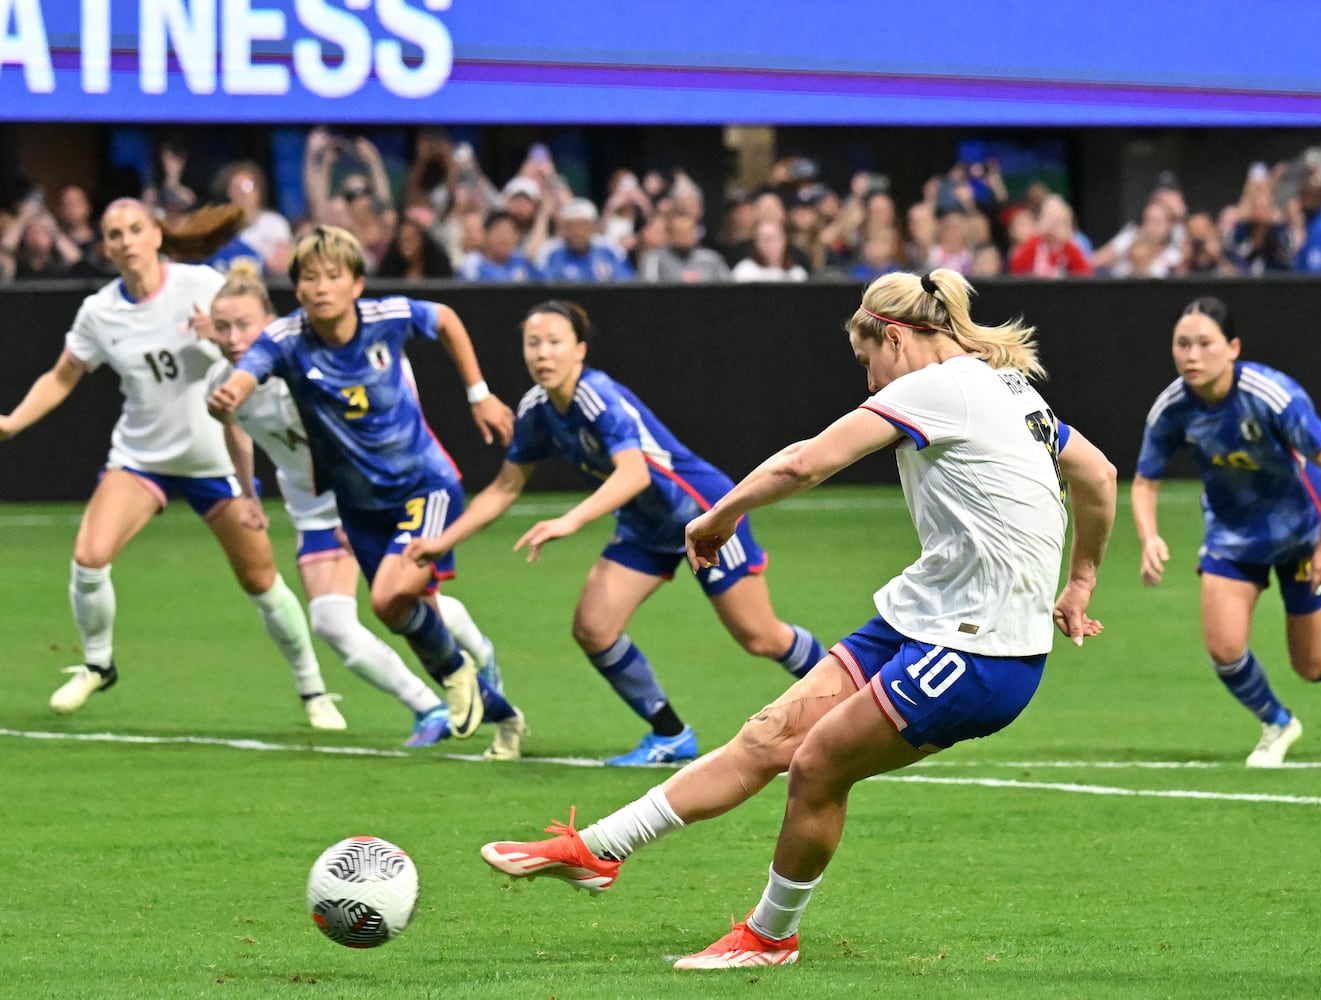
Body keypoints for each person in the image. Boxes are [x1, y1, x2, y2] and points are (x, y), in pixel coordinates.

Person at [476, 269, 1117, 968]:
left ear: (894, 337)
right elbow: (1097, 475)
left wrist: (721, 515)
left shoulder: (937, 385)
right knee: (766, 737)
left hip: (981, 652)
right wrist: (1080, 580)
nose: (870, 381)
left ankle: (771, 935)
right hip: (922, 618)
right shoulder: (1007, 386)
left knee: (815, 766)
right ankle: (597, 850)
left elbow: (805, 463)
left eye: (866, 359)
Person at [403, 300, 828, 766]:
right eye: (533, 344)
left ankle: (847, 695)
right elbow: (505, 487)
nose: (543, 354)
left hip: (703, 515)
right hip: (646, 524)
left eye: (555, 343)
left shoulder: (597, 395)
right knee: (593, 628)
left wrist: (572, 519)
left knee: (760, 636)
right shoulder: (537, 409)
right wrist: (442, 542)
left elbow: (634, 475)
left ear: (579, 351)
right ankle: (670, 735)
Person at [0, 199, 345, 728]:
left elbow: (261, 340)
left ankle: (313, 689)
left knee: (261, 580)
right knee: (90, 557)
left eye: (136, 229)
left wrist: (223, 336)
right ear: (106, 246)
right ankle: (97, 664)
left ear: (156, 236)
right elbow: (63, 374)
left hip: (215, 459)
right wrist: (12, 422)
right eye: (114, 234)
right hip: (142, 457)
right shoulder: (99, 312)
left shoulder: (202, 287)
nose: (127, 241)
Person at [207, 225, 523, 750]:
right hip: (353, 504)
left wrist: (479, 393)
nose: (321, 287)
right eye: (309, 278)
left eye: (334, 276)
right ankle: (486, 699)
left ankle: (461, 670)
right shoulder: (284, 342)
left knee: (390, 596)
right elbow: (247, 375)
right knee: (398, 610)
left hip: (422, 485)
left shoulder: (385, 319)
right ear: (297, 289)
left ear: (356, 284)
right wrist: (229, 395)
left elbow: (444, 318)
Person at [1131, 297, 1321, 768]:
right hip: (1232, 536)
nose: (1192, 355)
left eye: (1205, 344)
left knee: (1311, 664)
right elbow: (1144, 481)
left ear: (1233, 348)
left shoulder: (1272, 395)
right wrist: (1149, 537)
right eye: (1182, 344)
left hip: (1305, 535)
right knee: (1224, 648)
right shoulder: (1172, 408)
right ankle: (1277, 723)